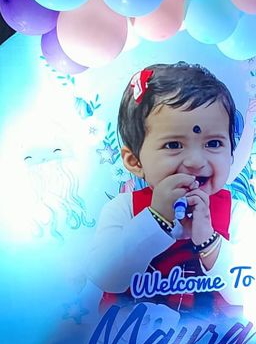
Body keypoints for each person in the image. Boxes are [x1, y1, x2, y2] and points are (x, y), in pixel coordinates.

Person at [88, 62, 245, 312]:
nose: (195, 161)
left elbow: (251, 289)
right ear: (134, 161)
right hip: (127, 342)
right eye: (173, 145)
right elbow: (106, 277)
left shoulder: (235, 213)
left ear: (231, 154)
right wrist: (155, 218)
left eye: (213, 143)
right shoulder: (123, 208)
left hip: (210, 343)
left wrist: (208, 239)